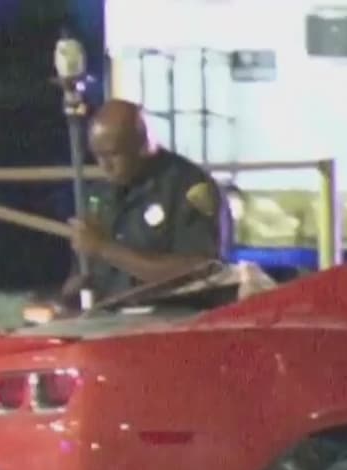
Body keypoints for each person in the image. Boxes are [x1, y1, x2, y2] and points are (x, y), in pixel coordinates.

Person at [52, 99, 233, 312]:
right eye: (98, 156)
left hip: (173, 317)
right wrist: (69, 296)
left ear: (143, 145)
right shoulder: (100, 194)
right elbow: (87, 271)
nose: (104, 166)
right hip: (109, 318)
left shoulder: (190, 188)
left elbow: (202, 270)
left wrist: (105, 249)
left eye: (113, 154)